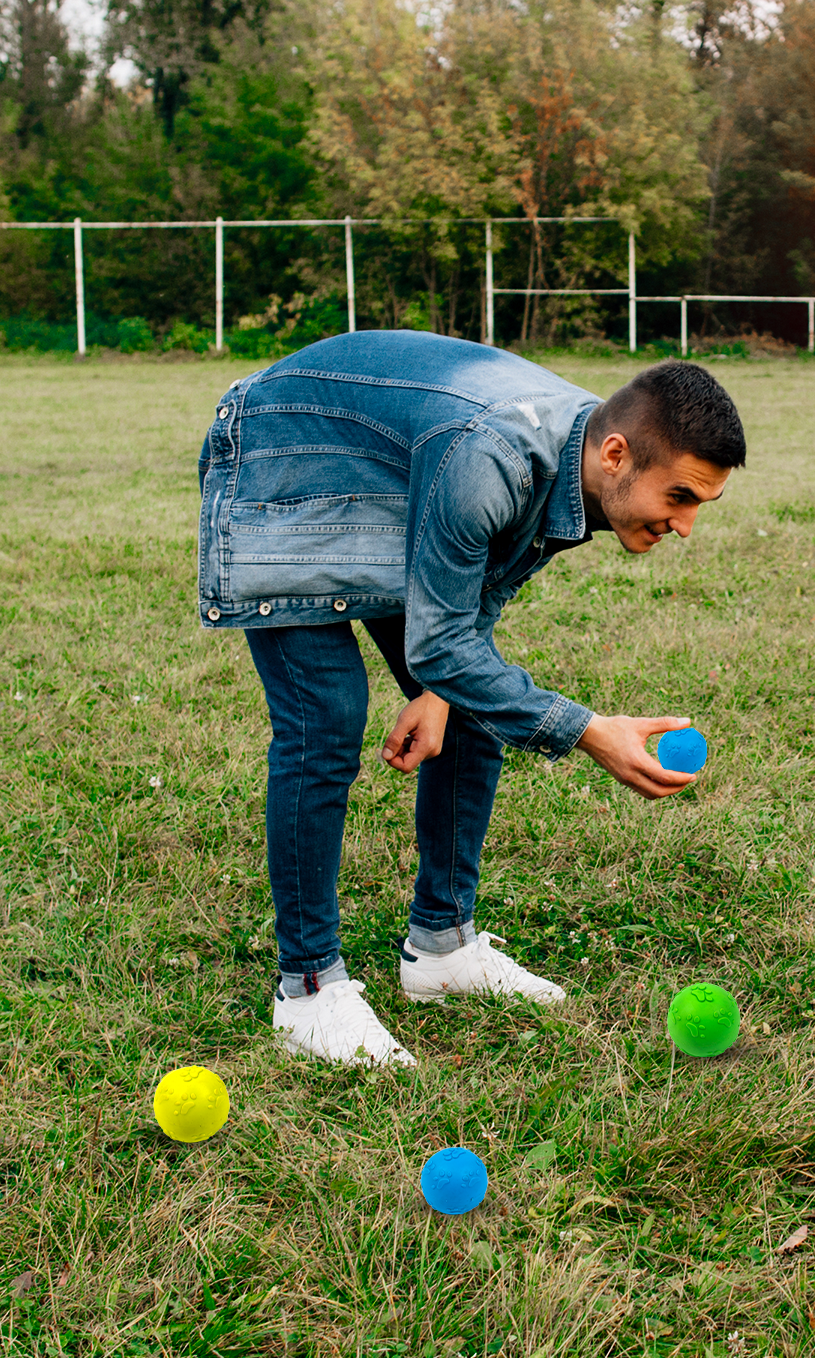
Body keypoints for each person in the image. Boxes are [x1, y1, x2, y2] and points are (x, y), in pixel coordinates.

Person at [196, 331, 746, 1067]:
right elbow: (441, 641)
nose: (685, 525)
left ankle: (442, 948)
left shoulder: (585, 457)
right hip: (282, 454)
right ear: (616, 455)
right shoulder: (491, 459)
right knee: (325, 719)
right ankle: (307, 991)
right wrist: (586, 730)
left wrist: (440, 690)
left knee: (471, 710)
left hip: (389, 481)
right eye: (679, 497)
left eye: (702, 503)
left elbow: (482, 583)